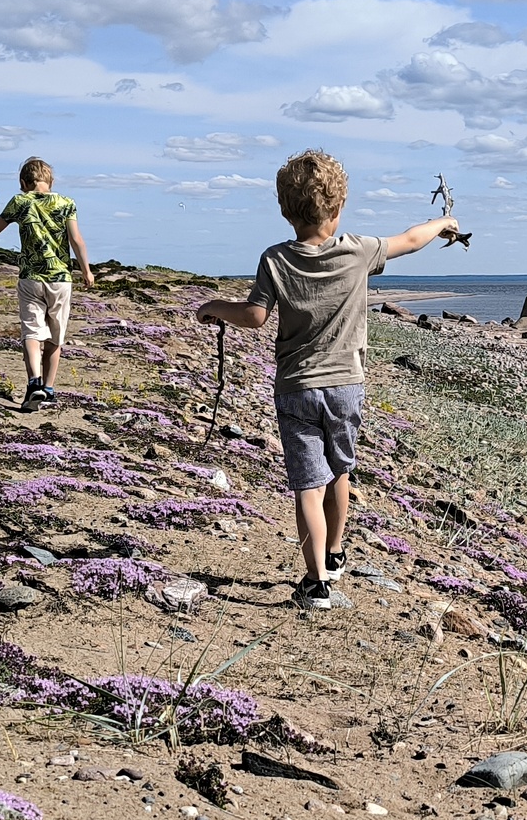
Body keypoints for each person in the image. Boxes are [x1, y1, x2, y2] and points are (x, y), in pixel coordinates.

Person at [196, 148, 458, 611]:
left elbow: (256, 317)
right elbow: (412, 240)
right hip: (346, 386)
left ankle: (316, 582)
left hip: (296, 387)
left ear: (284, 209)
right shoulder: (358, 251)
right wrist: (444, 223)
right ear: (337, 211)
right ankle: (336, 555)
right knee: (340, 469)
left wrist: (214, 307)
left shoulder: (274, 259)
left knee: (306, 485)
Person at [0, 156, 94, 409]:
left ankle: (34, 383)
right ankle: (49, 387)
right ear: (50, 181)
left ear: (24, 182)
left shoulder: (20, 201)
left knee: (32, 332)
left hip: (31, 277)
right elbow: (76, 239)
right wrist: (86, 270)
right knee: (56, 336)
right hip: (60, 279)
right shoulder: (66, 202)